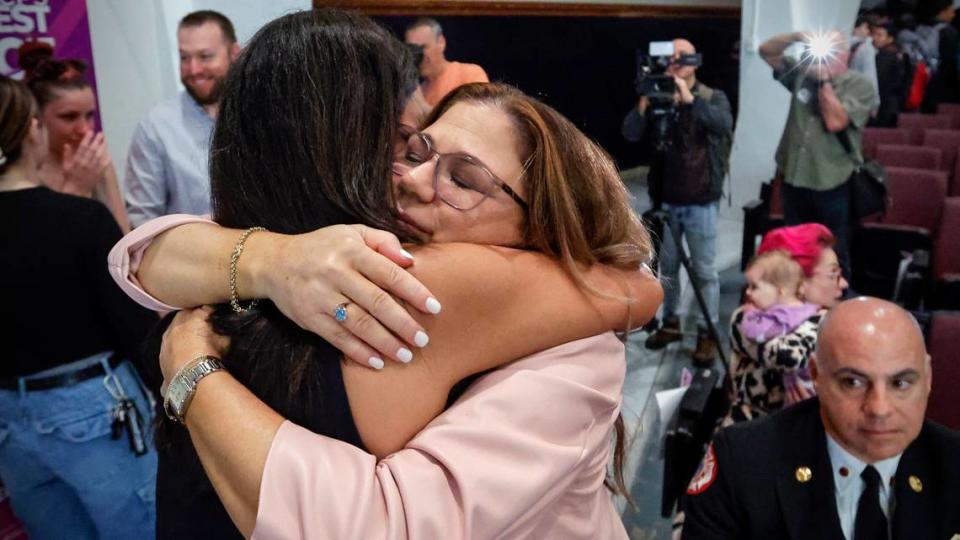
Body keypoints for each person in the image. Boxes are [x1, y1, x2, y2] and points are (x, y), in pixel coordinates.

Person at [110, 10, 661, 538]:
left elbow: (383, 525)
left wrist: (190, 369)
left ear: (543, 217)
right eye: (415, 149)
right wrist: (274, 260)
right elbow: (142, 256)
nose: (413, 178)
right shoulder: (327, 267)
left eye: (463, 179)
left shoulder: (537, 331)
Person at [0, 76, 158, 539]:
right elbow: (135, 324)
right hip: (93, 411)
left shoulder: (75, 215)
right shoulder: (80, 219)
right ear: (32, 131)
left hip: (10, 420)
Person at [683, 297, 960, 540]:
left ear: (928, 378)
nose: (879, 408)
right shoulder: (744, 463)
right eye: (853, 382)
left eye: (900, 384)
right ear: (816, 375)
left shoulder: (953, 464)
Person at [622, 38, 733, 363]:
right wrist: (645, 102)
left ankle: (705, 332)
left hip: (700, 202)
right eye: (670, 58)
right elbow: (630, 132)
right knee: (667, 269)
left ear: (695, 61)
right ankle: (670, 323)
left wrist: (688, 100)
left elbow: (721, 125)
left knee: (704, 272)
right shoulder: (658, 93)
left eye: (681, 57)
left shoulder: (713, 97)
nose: (675, 63)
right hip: (666, 201)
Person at [760, 30, 874, 280]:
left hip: (831, 179)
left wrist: (823, 81)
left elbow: (834, 121)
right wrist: (798, 36)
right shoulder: (802, 75)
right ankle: (798, 301)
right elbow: (766, 51)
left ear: (843, 54)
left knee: (833, 250)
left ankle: (834, 304)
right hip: (794, 175)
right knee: (795, 246)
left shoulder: (860, 85)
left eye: (828, 50)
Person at [124, 10, 240, 227]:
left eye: (205, 56)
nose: (193, 69)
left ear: (234, 53)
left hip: (262, 254)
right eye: (184, 58)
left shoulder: (260, 114)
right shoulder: (156, 127)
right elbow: (142, 223)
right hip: (191, 258)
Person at [725, 223, 848, 426]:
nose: (843, 283)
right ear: (797, 283)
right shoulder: (750, 319)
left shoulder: (829, 320)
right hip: (755, 438)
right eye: (833, 274)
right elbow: (791, 356)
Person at [18, 43, 131, 233]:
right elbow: (37, 249)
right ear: (36, 118)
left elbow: (123, 239)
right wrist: (76, 189)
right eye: (69, 117)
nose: (85, 129)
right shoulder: (20, 168)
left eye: (89, 115)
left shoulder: (95, 159)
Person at [739, 249, 820, 405]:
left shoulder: (782, 317)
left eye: (754, 287)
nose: (748, 292)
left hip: (801, 391)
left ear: (780, 291)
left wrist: (750, 314)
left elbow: (754, 333)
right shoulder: (803, 308)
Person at [404, 17, 489, 107]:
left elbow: (482, 112)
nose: (420, 55)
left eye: (424, 47)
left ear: (441, 42)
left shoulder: (469, 74)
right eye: (413, 50)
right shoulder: (418, 91)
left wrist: (421, 107)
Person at [920, 0, 959, 112]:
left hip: (924, 76)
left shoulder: (922, 28)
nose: (953, 15)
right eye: (951, 11)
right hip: (943, 82)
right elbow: (950, 62)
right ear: (943, 11)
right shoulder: (950, 32)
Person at [870, 19, 908, 127]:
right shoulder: (898, 53)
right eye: (874, 34)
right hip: (892, 105)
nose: (874, 38)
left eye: (880, 35)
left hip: (885, 105)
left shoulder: (887, 56)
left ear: (890, 38)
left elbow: (879, 80)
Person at [849, 14, 882, 116]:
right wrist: (875, 102)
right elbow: (870, 76)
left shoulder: (841, 44)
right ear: (855, 28)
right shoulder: (866, 48)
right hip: (860, 99)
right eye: (865, 28)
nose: (867, 32)